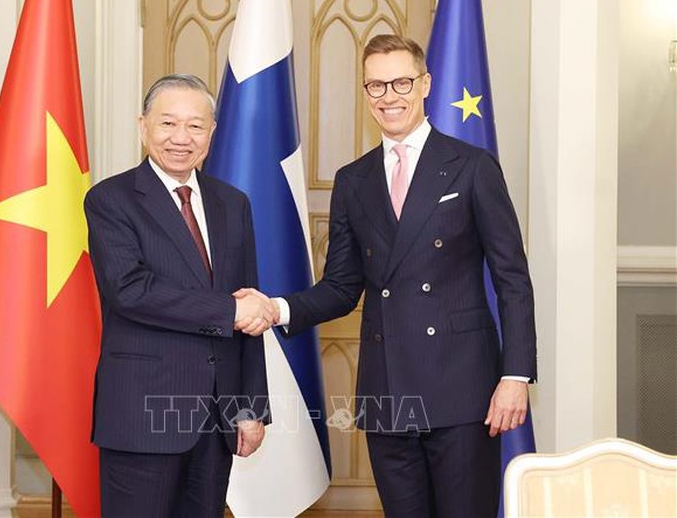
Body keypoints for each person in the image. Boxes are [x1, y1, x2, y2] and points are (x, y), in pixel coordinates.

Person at [236, 34, 537, 517]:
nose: (388, 96)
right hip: (388, 392)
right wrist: (277, 308)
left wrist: (515, 376)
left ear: (425, 85)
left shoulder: (472, 166)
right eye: (375, 86)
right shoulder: (353, 180)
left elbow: (512, 279)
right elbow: (340, 288)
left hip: (463, 389)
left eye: (401, 83)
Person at [85, 74, 276, 517]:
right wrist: (229, 309)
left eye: (195, 126)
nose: (181, 138)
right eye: (168, 123)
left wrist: (250, 407)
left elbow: (248, 306)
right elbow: (131, 291)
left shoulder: (233, 203)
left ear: (212, 132)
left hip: (215, 419)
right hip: (142, 415)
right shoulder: (111, 199)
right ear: (143, 126)